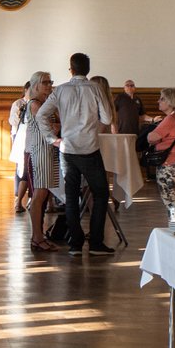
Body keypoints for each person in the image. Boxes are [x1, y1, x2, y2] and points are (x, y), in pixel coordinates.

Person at [37, 52, 116, 256]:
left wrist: (51, 138)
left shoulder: (61, 90)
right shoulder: (96, 89)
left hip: (68, 149)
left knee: (71, 196)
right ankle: (96, 242)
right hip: (89, 148)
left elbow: (41, 114)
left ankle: (75, 243)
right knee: (101, 193)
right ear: (88, 70)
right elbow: (107, 119)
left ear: (70, 69)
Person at [20, 72, 58, 252]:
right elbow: (50, 127)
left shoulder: (44, 104)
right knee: (39, 195)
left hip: (47, 151)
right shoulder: (35, 104)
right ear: (35, 85)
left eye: (50, 82)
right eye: (45, 83)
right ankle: (36, 236)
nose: (49, 86)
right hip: (40, 152)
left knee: (44, 195)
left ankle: (39, 235)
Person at [146, 88, 175, 223]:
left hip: (168, 162)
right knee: (171, 196)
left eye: (162, 98)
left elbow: (151, 137)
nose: (158, 101)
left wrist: (155, 137)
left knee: (169, 197)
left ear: (171, 101)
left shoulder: (170, 119)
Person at [8, 80, 36, 213]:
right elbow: (13, 121)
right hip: (20, 136)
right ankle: (18, 197)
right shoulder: (19, 103)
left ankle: (32, 199)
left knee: (27, 169)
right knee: (22, 167)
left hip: (31, 138)